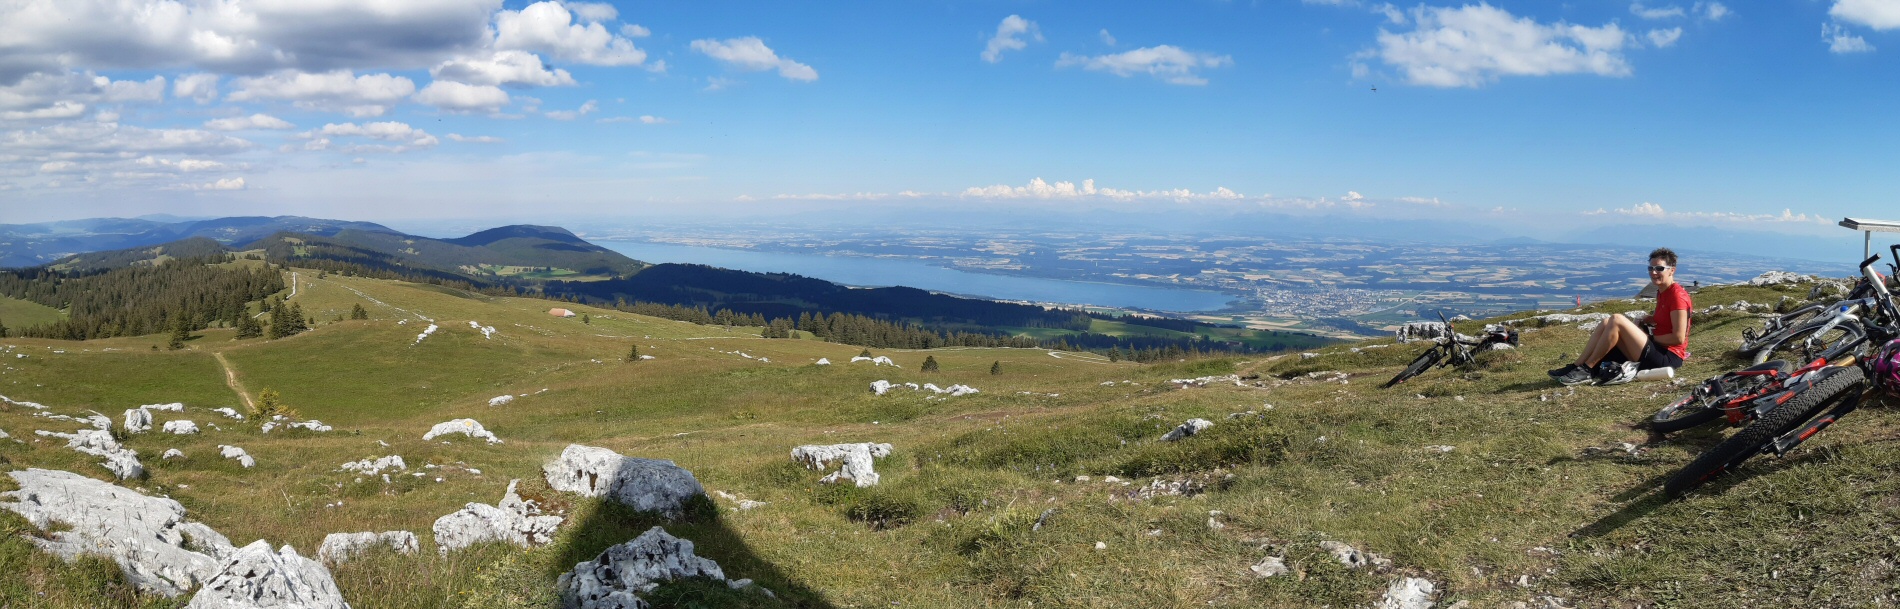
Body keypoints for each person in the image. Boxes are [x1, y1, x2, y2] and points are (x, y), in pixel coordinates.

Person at [1549, 247, 1692, 386]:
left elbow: (1678, 338)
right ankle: (1577, 365)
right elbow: (1667, 321)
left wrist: (1650, 338)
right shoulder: (1663, 292)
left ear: (1672, 270)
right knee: (1606, 322)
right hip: (1658, 350)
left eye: (1659, 268)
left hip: (1667, 358)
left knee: (1617, 319)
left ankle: (1588, 369)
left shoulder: (1676, 296)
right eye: (1651, 268)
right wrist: (1651, 319)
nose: (1654, 272)